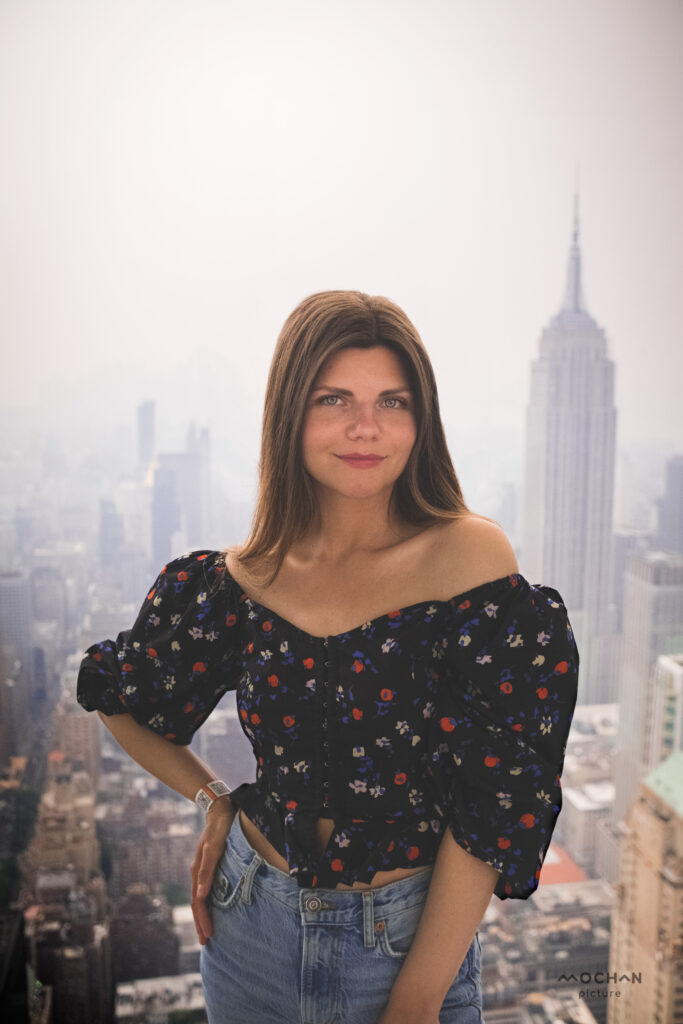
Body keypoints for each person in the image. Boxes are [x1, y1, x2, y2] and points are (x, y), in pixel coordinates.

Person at [77, 290, 579, 1024]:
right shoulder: (238, 580)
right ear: (290, 414)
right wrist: (212, 799)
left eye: (393, 401)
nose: (366, 427)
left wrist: (416, 997)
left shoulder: (467, 559)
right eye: (334, 398)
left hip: (405, 942)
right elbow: (119, 694)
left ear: (421, 418)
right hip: (247, 928)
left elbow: (496, 799)